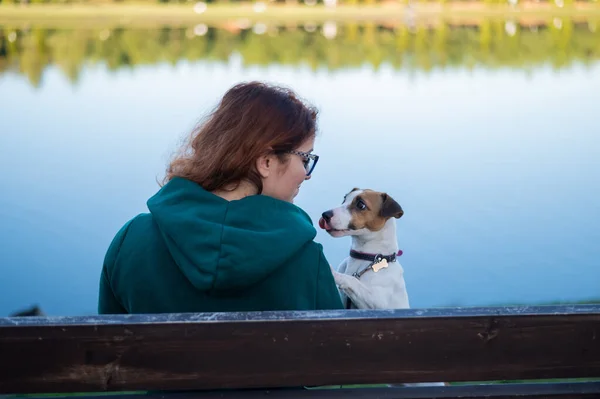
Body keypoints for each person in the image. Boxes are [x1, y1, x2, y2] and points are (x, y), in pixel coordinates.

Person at [98, 81, 343, 314]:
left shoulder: (130, 242)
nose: (306, 174)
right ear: (266, 162)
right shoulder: (307, 262)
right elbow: (340, 353)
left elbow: (103, 349)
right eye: (305, 159)